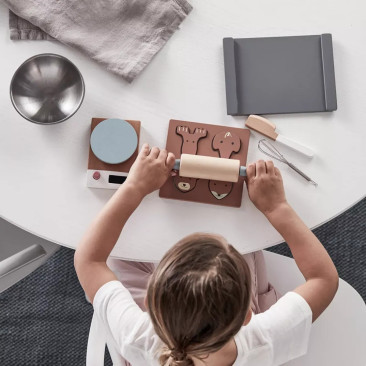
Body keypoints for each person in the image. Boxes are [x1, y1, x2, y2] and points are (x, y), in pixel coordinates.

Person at [74, 144, 339, 366]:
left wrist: (134, 186)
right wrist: (276, 207)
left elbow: (90, 259)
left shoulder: (136, 337)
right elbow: (323, 279)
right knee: (248, 249)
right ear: (247, 316)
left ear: (151, 303)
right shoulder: (263, 340)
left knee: (119, 254)